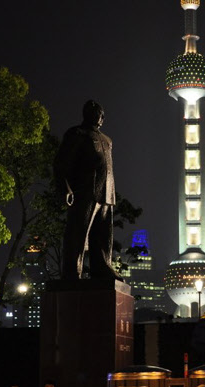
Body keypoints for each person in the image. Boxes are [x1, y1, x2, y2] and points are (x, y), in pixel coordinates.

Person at [53, 100, 118, 280]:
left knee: (104, 235)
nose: (99, 117)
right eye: (96, 113)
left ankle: (102, 267)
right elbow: (61, 163)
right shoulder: (77, 134)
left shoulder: (107, 140)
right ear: (86, 114)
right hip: (85, 191)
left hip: (106, 193)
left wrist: (111, 192)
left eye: (101, 114)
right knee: (78, 233)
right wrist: (65, 187)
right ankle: (72, 272)